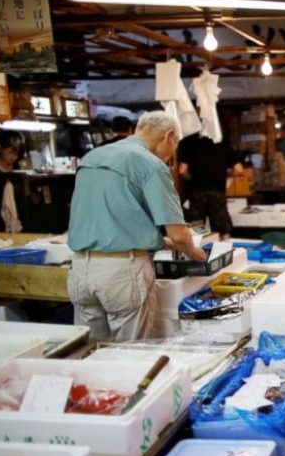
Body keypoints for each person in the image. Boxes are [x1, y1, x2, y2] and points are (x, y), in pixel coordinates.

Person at [67, 111, 207, 342]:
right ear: (169, 136)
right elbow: (179, 234)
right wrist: (193, 251)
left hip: (80, 271)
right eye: (176, 144)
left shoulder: (92, 157)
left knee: (89, 353)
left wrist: (162, 242)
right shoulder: (151, 165)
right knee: (129, 353)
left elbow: (118, 220)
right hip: (122, 272)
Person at [177, 132, 245, 239]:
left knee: (196, 230)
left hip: (197, 191)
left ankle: (198, 253)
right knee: (222, 230)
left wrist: (191, 179)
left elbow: (182, 170)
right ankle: (223, 251)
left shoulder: (190, 142)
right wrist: (222, 173)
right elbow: (239, 170)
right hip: (217, 191)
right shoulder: (222, 143)